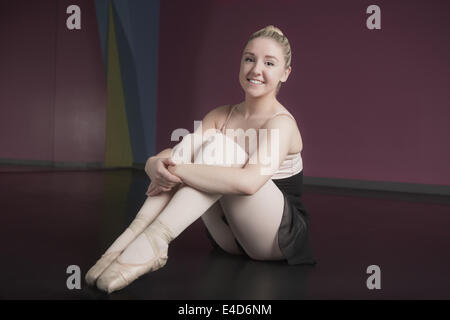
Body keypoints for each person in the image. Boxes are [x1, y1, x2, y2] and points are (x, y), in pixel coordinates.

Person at [85, 25, 316, 294]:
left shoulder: (281, 124)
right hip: (230, 237)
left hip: (275, 237)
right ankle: (129, 239)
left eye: (269, 63)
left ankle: (155, 240)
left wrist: (181, 170)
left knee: (219, 147)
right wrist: (153, 164)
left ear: (284, 74)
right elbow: (181, 152)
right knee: (203, 145)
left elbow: (249, 183)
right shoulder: (221, 115)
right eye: (249, 59)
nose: (255, 70)